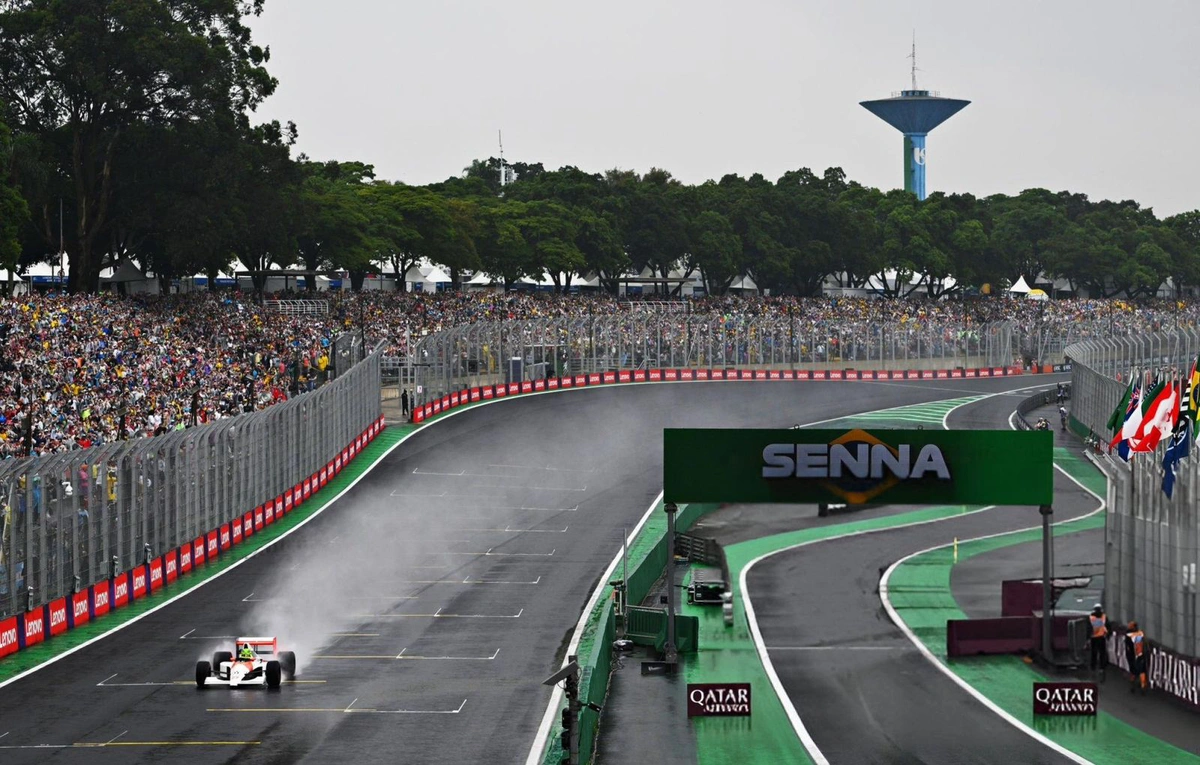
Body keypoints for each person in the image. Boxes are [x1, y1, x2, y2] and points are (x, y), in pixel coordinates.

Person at [1125, 621, 1148, 695]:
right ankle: (1142, 685)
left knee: (1133, 671)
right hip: (1140, 655)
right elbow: (1144, 644)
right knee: (1142, 671)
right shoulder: (1141, 634)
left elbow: (1128, 647)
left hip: (1132, 656)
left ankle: (1133, 685)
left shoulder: (1128, 636)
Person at [1088, 604, 1108, 680]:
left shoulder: (1091, 617)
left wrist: (1088, 637)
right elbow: (1107, 626)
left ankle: (1093, 667)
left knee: (1094, 653)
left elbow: (1089, 627)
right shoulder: (1104, 617)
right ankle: (1101, 667)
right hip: (1101, 637)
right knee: (1102, 653)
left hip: (1094, 637)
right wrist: (1108, 634)